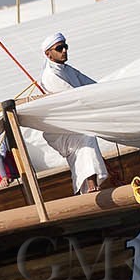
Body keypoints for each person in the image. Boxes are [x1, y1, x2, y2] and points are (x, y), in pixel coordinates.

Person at [39, 31, 108, 194]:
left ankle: (87, 188)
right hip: (59, 129)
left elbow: (91, 85)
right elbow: (74, 97)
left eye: (65, 47)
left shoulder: (68, 69)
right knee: (86, 136)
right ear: (48, 54)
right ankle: (91, 186)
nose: (64, 51)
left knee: (85, 137)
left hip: (74, 122)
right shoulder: (50, 76)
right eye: (59, 48)